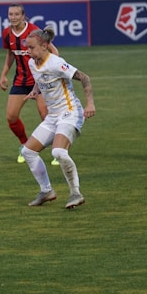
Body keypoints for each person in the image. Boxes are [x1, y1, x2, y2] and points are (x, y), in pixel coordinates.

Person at [21, 27, 95, 209]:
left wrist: (90, 103)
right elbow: (41, 79)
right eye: (27, 48)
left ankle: (75, 193)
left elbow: (84, 77)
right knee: (28, 152)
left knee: (58, 152)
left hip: (70, 113)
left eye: (31, 48)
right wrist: (35, 91)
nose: (28, 51)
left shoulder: (56, 63)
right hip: (53, 116)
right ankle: (46, 191)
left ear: (44, 46)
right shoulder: (33, 63)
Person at [0, 3, 60, 165]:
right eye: (10, 14)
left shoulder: (34, 31)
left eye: (16, 14)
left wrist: (48, 71)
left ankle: (57, 150)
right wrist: (3, 74)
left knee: (45, 116)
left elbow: (54, 51)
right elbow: (11, 54)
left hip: (39, 81)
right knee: (11, 117)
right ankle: (24, 145)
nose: (13, 17)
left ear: (23, 16)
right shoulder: (7, 33)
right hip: (20, 80)